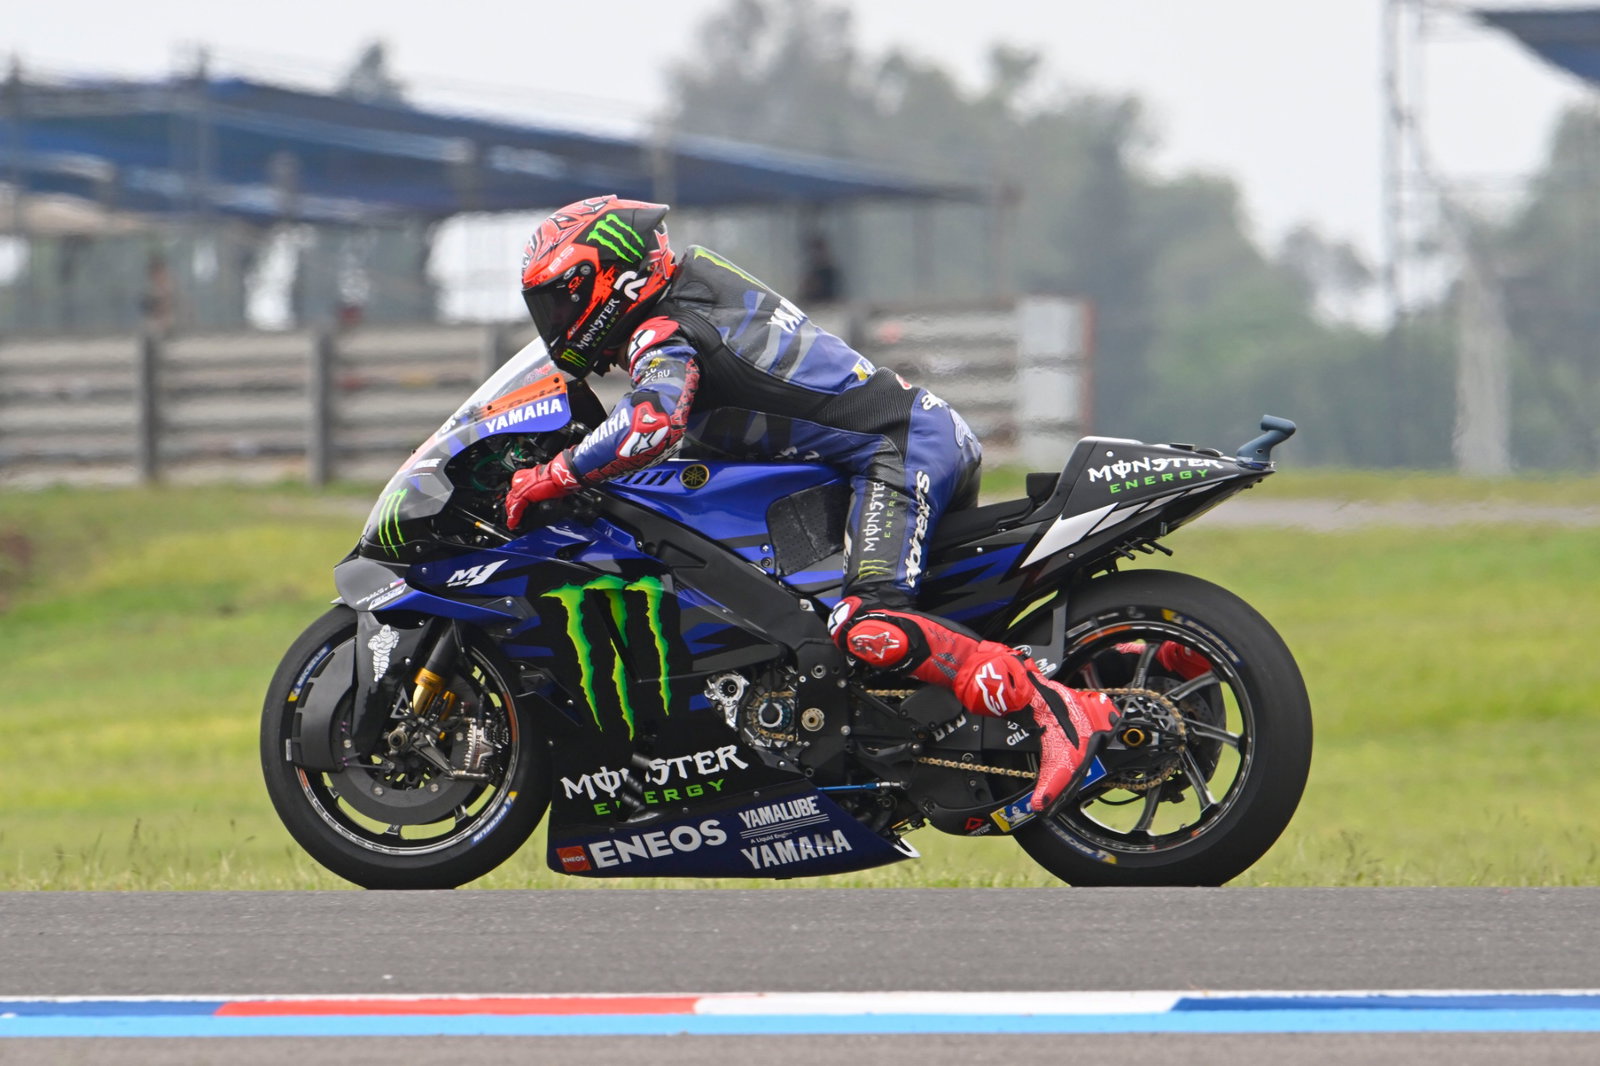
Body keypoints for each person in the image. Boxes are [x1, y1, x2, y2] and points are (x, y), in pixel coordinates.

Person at [504, 195, 1117, 814]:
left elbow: (653, 421)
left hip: (897, 449)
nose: (557, 319)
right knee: (901, 628)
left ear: (612, 277)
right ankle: (1111, 668)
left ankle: (1056, 711)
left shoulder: (664, 328)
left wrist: (554, 474)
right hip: (898, 443)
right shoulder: (692, 291)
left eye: (562, 299)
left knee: (866, 621)